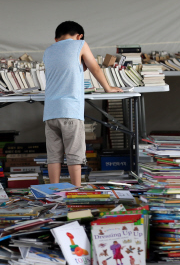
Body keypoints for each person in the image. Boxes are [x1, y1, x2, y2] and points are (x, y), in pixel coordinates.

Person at [43, 21, 123, 187]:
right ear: (79, 36)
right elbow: (95, 69)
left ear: (56, 39)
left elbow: (67, 68)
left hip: (50, 112)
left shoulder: (49, 50)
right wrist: (107, 88)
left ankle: (53, 191)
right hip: (70, 110)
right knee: (74, 155)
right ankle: (76, 192)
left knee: (53, 156)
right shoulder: (80, 44)